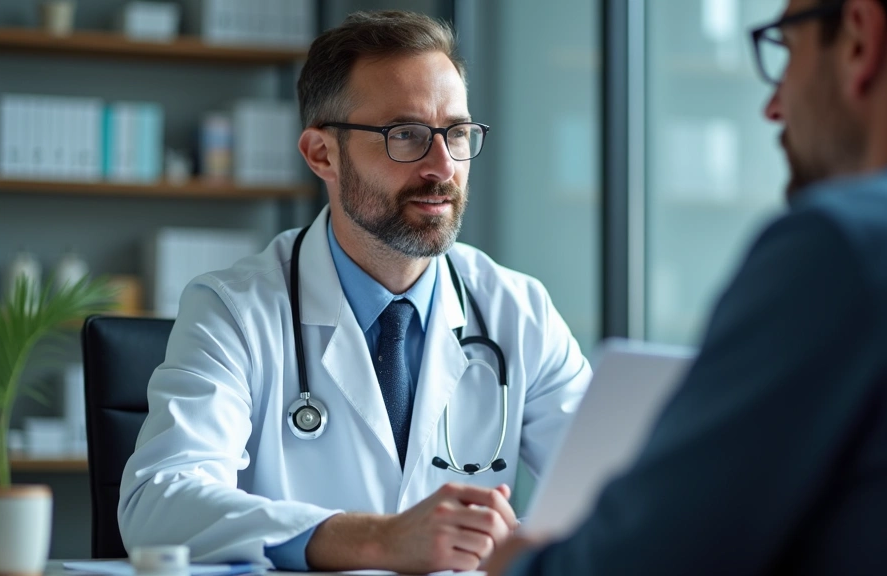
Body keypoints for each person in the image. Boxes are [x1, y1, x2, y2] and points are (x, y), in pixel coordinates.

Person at [485, 0, 887, 574]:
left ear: (859, 39)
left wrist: (513, 566)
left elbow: (649, 560)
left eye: (787, 49)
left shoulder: (848, 249)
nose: (773, 104)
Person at [118, 10, 591, 575]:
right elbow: (158, 500)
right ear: (322, 155)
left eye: (457, 134)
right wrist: (378, 541)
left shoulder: (518, 310)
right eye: (406, 136)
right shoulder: (235, 310)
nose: (443, 167)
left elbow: (620, 482)